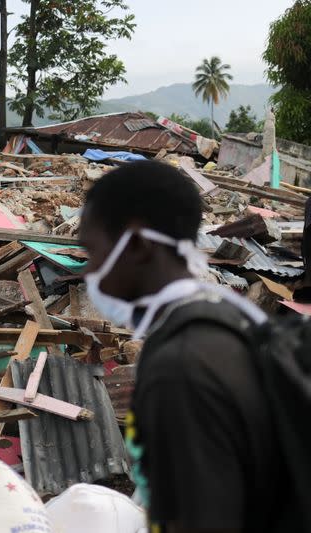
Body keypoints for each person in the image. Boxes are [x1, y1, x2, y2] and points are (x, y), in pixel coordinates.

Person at [78, 160, 296, 532]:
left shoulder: (180, 367)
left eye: (92, 250)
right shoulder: (230, 316)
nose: (89, 270)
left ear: (139, 245)